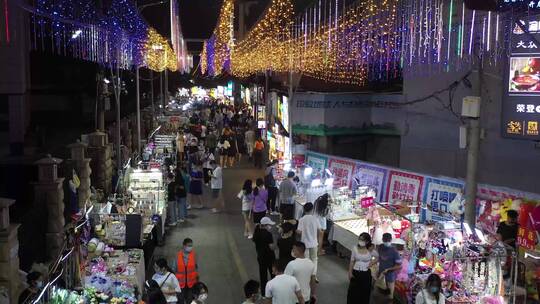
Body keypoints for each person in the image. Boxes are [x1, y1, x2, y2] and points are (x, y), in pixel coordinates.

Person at [347, 232, 378, 304]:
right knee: (353, 292)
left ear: (367, 241)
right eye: (359, 239)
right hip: (355, 272)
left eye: (363, 240)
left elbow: (378, 257)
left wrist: (371, 263)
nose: (360, 241)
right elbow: (352, 261)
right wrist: (350, 272)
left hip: (366, 274)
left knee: (364, 292)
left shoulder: (370, 250)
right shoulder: (355, 248)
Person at [296, 203, 321, 276]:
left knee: (306, 260)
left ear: (304, 209)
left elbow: (299, 231)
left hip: (305, 243)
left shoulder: (302, 219)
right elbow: (319, 229)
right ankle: (313, 275)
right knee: (314, 259)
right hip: (314, 243)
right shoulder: (315, 218)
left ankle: (306, 275)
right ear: (312, 209)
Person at [252, 217, 276, 292]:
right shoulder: (268, 234)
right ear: (265, 225)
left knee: (263, 275)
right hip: (269, 257)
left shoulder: (256, 232)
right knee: (273, 274)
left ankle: (263, 292)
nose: (270, 226)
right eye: (269, 225)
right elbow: (271, 247)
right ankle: (274, 290)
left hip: (260, 256)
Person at [377, 233, 402, 300]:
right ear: (382, 240)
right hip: (381, 273)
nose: (386, 242)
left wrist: (389, 269)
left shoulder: (394, 251)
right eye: (385, 240)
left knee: (390, 295)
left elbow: (399, 266)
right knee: (381, 292)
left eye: (388, 241)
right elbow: (379, 258)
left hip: (390, 275)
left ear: (391, 240)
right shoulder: (380, 247)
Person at [174, 238, 199, 304]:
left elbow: (196, 268)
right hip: (180, 284)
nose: (190, 247)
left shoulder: (194, 255)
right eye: (189, 245)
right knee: (180, 300)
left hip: (191, 283)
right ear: (184, 246)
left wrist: (197, 280)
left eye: (191, 246)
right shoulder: (178, 256)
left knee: (189, 300)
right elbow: (173, 269)